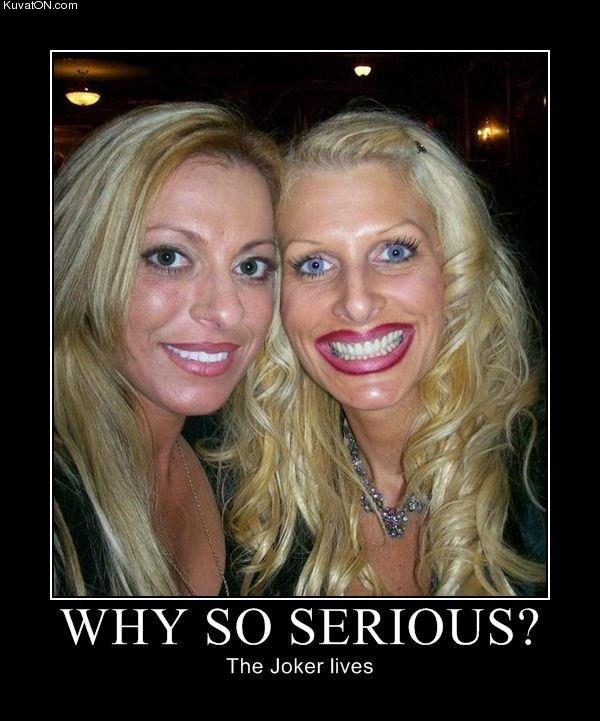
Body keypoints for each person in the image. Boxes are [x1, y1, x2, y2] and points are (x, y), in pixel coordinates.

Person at [227, 109, 546, 596]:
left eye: (395, 252)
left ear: (456, 269)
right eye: (313, 264)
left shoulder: (534, 471)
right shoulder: (253, 491)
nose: (356, 302)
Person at [53, 102, 281, 596]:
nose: (227, 311)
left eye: (251, 267)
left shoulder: (233, 453)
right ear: (86, 263)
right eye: (169, 256)